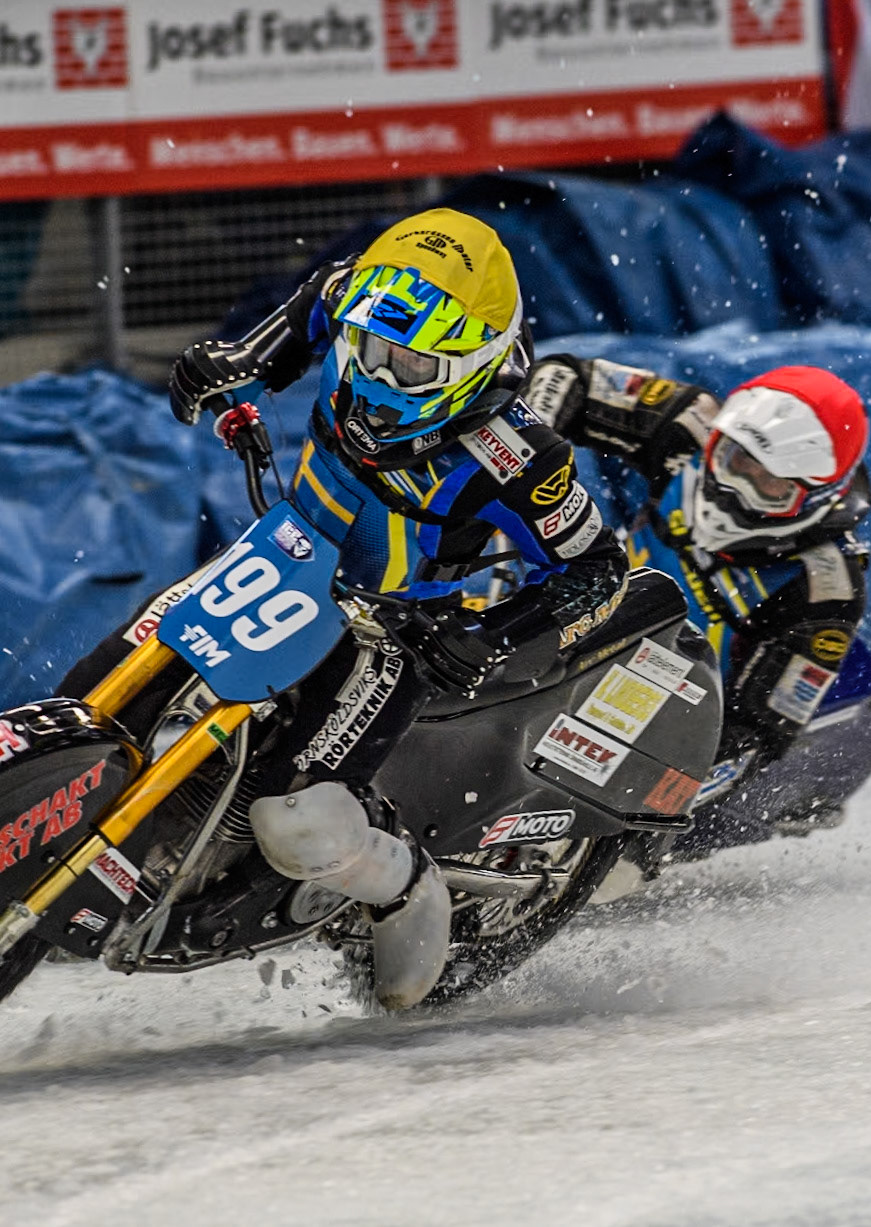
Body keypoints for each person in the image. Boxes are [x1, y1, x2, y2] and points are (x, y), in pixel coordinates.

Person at [76, 209, 632, 1008]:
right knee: (101, 683)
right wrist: (236, 364)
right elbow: (302, 319)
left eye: (407, 366)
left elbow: (598, 570)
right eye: (368, 350)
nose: (375, 378)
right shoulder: (354, 295)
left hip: (389, 630)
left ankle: (403, 883)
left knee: (294, 819)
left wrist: (485, 633)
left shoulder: (519, 457)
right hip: (281, 562)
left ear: (469, 368)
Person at [522, 356, 871, 854]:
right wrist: (528, 447)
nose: (733, 488)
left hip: (697, 706)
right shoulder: (692, 423)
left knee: (685, 819)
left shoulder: (827, 587)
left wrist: (630, 829)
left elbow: (754, 733)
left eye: (769, 484)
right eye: (736, 461)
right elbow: (564, 377)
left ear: (816, 498)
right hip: (599, 624)